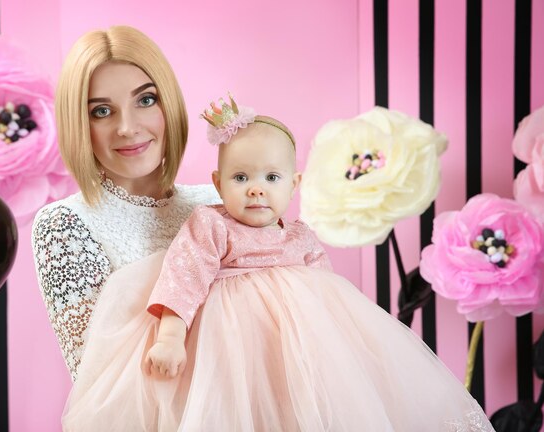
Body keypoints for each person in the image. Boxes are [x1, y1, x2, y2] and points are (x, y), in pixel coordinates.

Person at [141, 95, 494, 431]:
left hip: (293, 350)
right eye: (241, 178)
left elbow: (328, 297)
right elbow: (185, 275)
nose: (256, 189)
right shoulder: (211, 224)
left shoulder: (300, 237)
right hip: (231, 344)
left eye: (272, 178)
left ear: (294, 185)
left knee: (297, 408)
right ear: (218, 184)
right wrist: (171, 337)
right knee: (240, 408)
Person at [31, 26, 220, 429]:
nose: (127, 128)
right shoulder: (65, 225)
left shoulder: (219, 205)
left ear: (168, 103)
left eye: (146, 100)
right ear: (79, 124)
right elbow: (100, 385)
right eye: (101, 110)